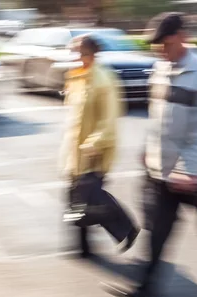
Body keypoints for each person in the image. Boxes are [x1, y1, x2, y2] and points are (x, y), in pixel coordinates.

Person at [105, 13, 197, 297]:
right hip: (164, 170)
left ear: (182, 36)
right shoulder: (160, 68)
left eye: (165, 44)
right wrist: (149, 149)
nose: (160, 50)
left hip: (195, 174)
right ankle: (146, 288)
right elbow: (159, 119)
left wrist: (189, 169)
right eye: (156, 46)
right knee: (158, 231)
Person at [60, 34, 140, 258]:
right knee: (77, 198)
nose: (76, 57)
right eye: (74, 52)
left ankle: (126, 228)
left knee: (90, 196)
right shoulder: (77, 77)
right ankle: (83, 248)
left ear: (92, 54)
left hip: (94, 150)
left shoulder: (103, 79)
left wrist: (94, 143)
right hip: (75, 150)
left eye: (80, 53)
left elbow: (110, 117)